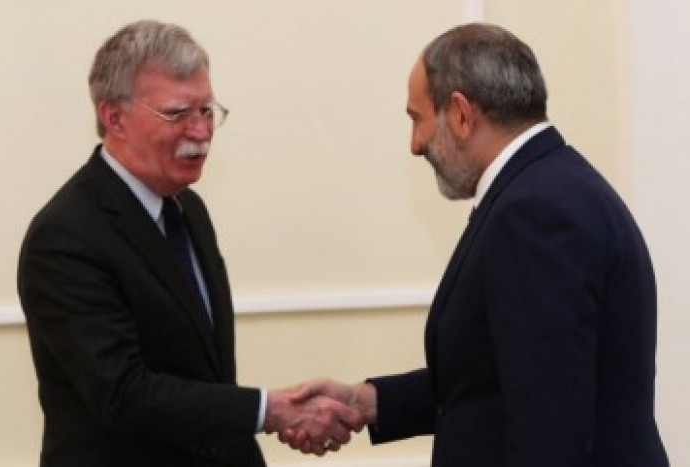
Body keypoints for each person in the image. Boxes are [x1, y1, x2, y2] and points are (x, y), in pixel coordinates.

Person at [285, 23, 670, 467]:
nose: (415, 145)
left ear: (461, 114)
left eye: (417, 118)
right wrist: (365, 401)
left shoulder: (535, 212)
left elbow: (548, 431)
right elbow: (494, 378)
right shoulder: (549, 187)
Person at [17, 20, 361, 467]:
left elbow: (204, 374)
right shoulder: (65, 236)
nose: (200, 132)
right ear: (114, 118)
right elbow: (122, 394)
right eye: (178, 114)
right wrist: (270, 410)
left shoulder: (187, 208)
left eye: (207, 111)